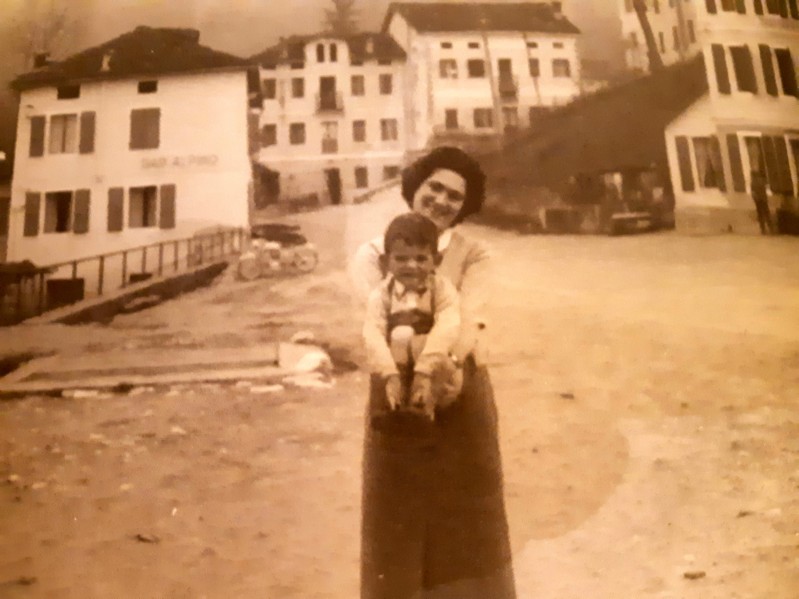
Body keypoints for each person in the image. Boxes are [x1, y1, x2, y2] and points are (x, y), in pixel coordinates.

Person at [351, 146, 517, 599]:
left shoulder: (476, 254)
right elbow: (377, 323)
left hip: (461, 387)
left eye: (454, 196)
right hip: (395, 390)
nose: (441, 201)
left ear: (465, 207)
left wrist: (448, 368)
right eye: (434, 188)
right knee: (397, 519)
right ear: (415, 188)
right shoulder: (372, 254)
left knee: (468, 523)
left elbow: (469, 317)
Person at [362, 212, 461, 427]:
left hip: (431, 362)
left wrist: (425, 371)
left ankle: (424, 410)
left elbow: (448, 326)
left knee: (439, 356)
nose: (411, 266)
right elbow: (373, 333)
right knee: (396, 338)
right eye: (401, 258)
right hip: (394, 365)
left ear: (436, 260)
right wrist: (389, 373)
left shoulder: (441, 290)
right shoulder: (382, 295)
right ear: (386, 262)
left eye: (421, 258)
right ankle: (392, 410)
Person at [751, 169, 773, 235]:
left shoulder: (753, 182)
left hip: (758, 200)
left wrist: (755, 199)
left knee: (760, 215)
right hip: (764, 199)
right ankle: (771, 228)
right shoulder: (762, 181)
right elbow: (767, 188)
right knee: (767, 213)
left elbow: (753, 193)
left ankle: (763, 229)